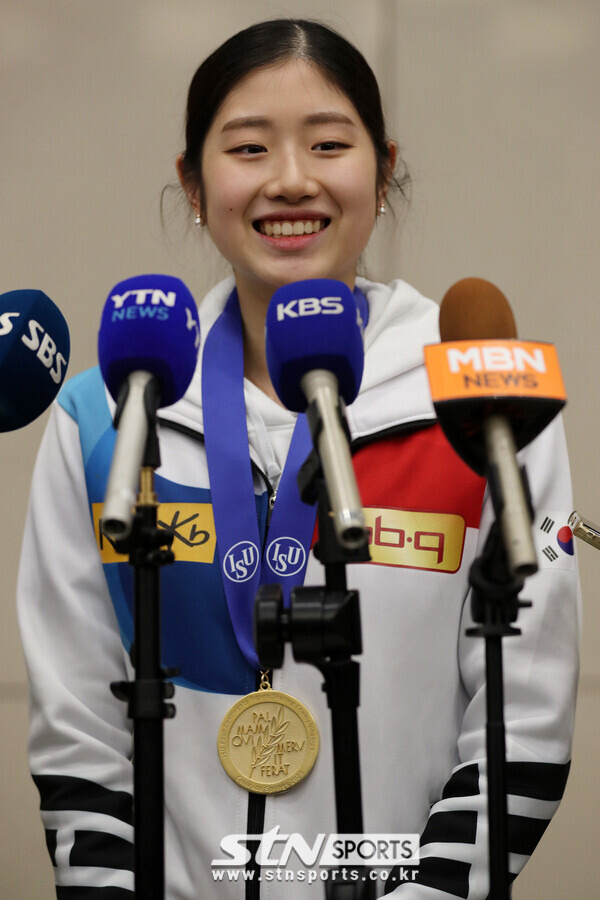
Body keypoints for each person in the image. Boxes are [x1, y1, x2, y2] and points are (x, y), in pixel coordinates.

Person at [18, 18, 580, 900]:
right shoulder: (107, 416)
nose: (290, 179)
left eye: (328, 143)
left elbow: (526, 720)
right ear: (193, 183)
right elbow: (78, 727)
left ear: (383, 169)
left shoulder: (484, 405)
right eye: (247, 147)